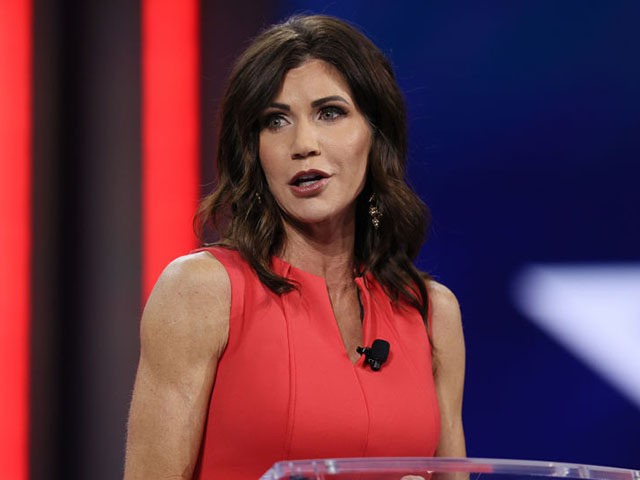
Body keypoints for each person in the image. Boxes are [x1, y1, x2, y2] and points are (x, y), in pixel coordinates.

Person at [124, 14, 465, 480]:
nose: (303, 144)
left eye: (330, 112)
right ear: (252, 150)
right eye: (275, 121)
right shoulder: (201, 291)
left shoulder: (430, 313)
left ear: (375, 134)